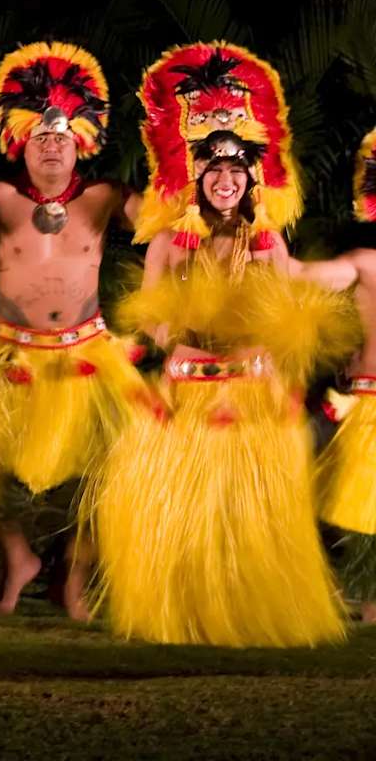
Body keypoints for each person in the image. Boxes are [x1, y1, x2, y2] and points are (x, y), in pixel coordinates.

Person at [90, 42, 351, 646]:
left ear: (252, 178)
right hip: (187, 393)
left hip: (252, 394)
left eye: (237, 171)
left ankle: (242, 614)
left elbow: (290, 314)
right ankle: (187, 614)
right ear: (197, 176)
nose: (227, 180)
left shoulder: (268, 244)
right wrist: (172, 331)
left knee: (246, 514)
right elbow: (148, 315)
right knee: (182, 513)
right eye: (215, 170)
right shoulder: (169, 243)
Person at [0, 43, 147, 619]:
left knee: (104, 470)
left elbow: (172, 220)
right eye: (40, 137)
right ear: (19, 142)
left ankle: (74, 577)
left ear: (81, 142)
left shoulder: (106, 199)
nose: (51, 144)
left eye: (62, 136)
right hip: (12, 356)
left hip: (88, 353)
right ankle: (19, 556)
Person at [293, 126, 376, 623]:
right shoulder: (367, 263)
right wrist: (258, 240)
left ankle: (367, 604)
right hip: (357, 404)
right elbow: (303, 278)